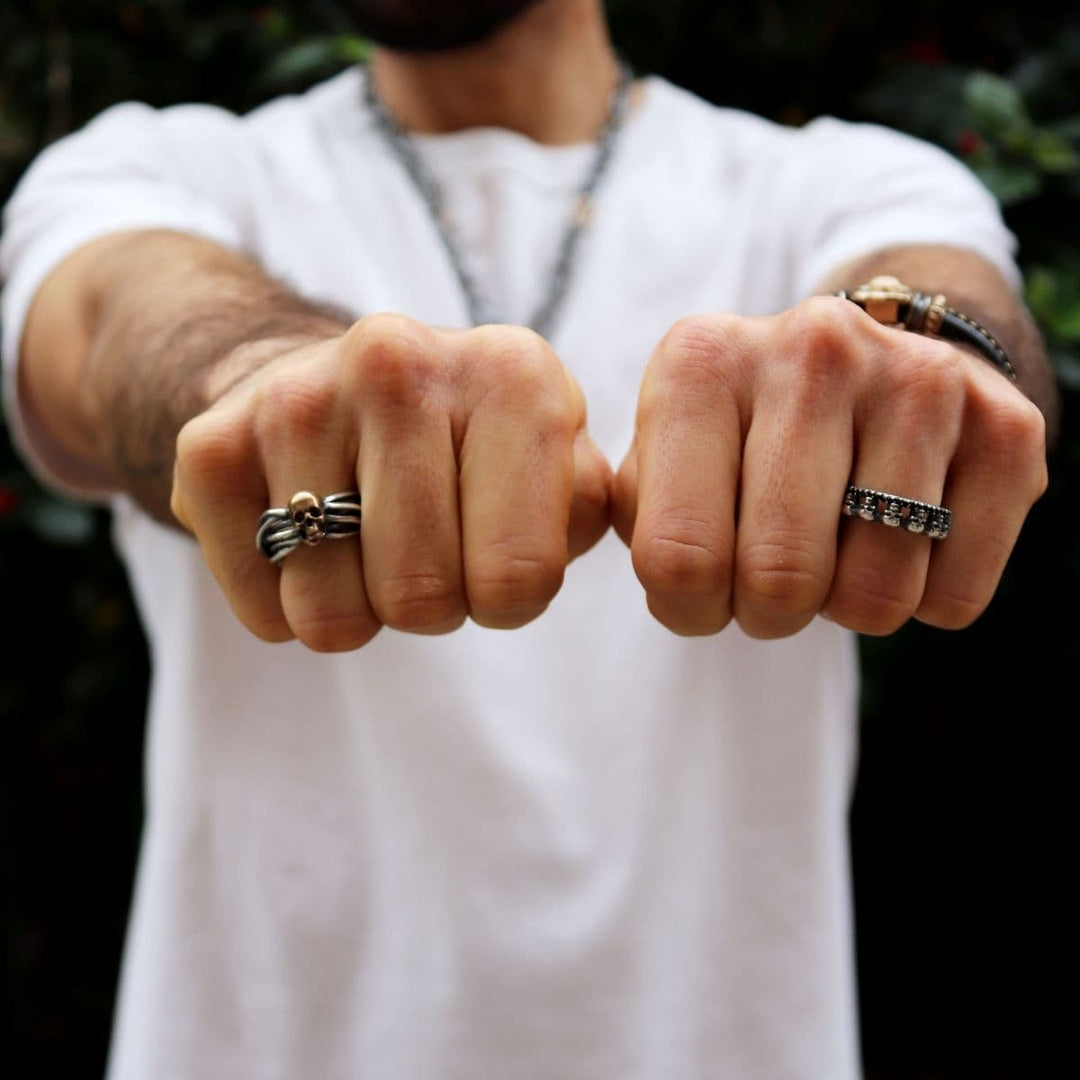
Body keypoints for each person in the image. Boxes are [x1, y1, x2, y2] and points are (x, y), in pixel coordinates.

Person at [0, 1, 1060, 1077]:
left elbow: (957, 312)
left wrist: (920, 368)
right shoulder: (163, 170)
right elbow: (124, 318)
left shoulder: (839, 185)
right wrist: (260, 382)